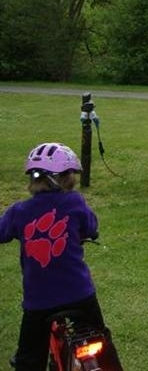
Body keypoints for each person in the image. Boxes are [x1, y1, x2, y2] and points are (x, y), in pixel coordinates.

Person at [1, 143, 108, 371]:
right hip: (80, 294)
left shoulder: (19, 212)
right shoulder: (75, 202)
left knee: (29, 359)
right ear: (63, 178)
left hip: (39, 301)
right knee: (100, 339)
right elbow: (91, 227)